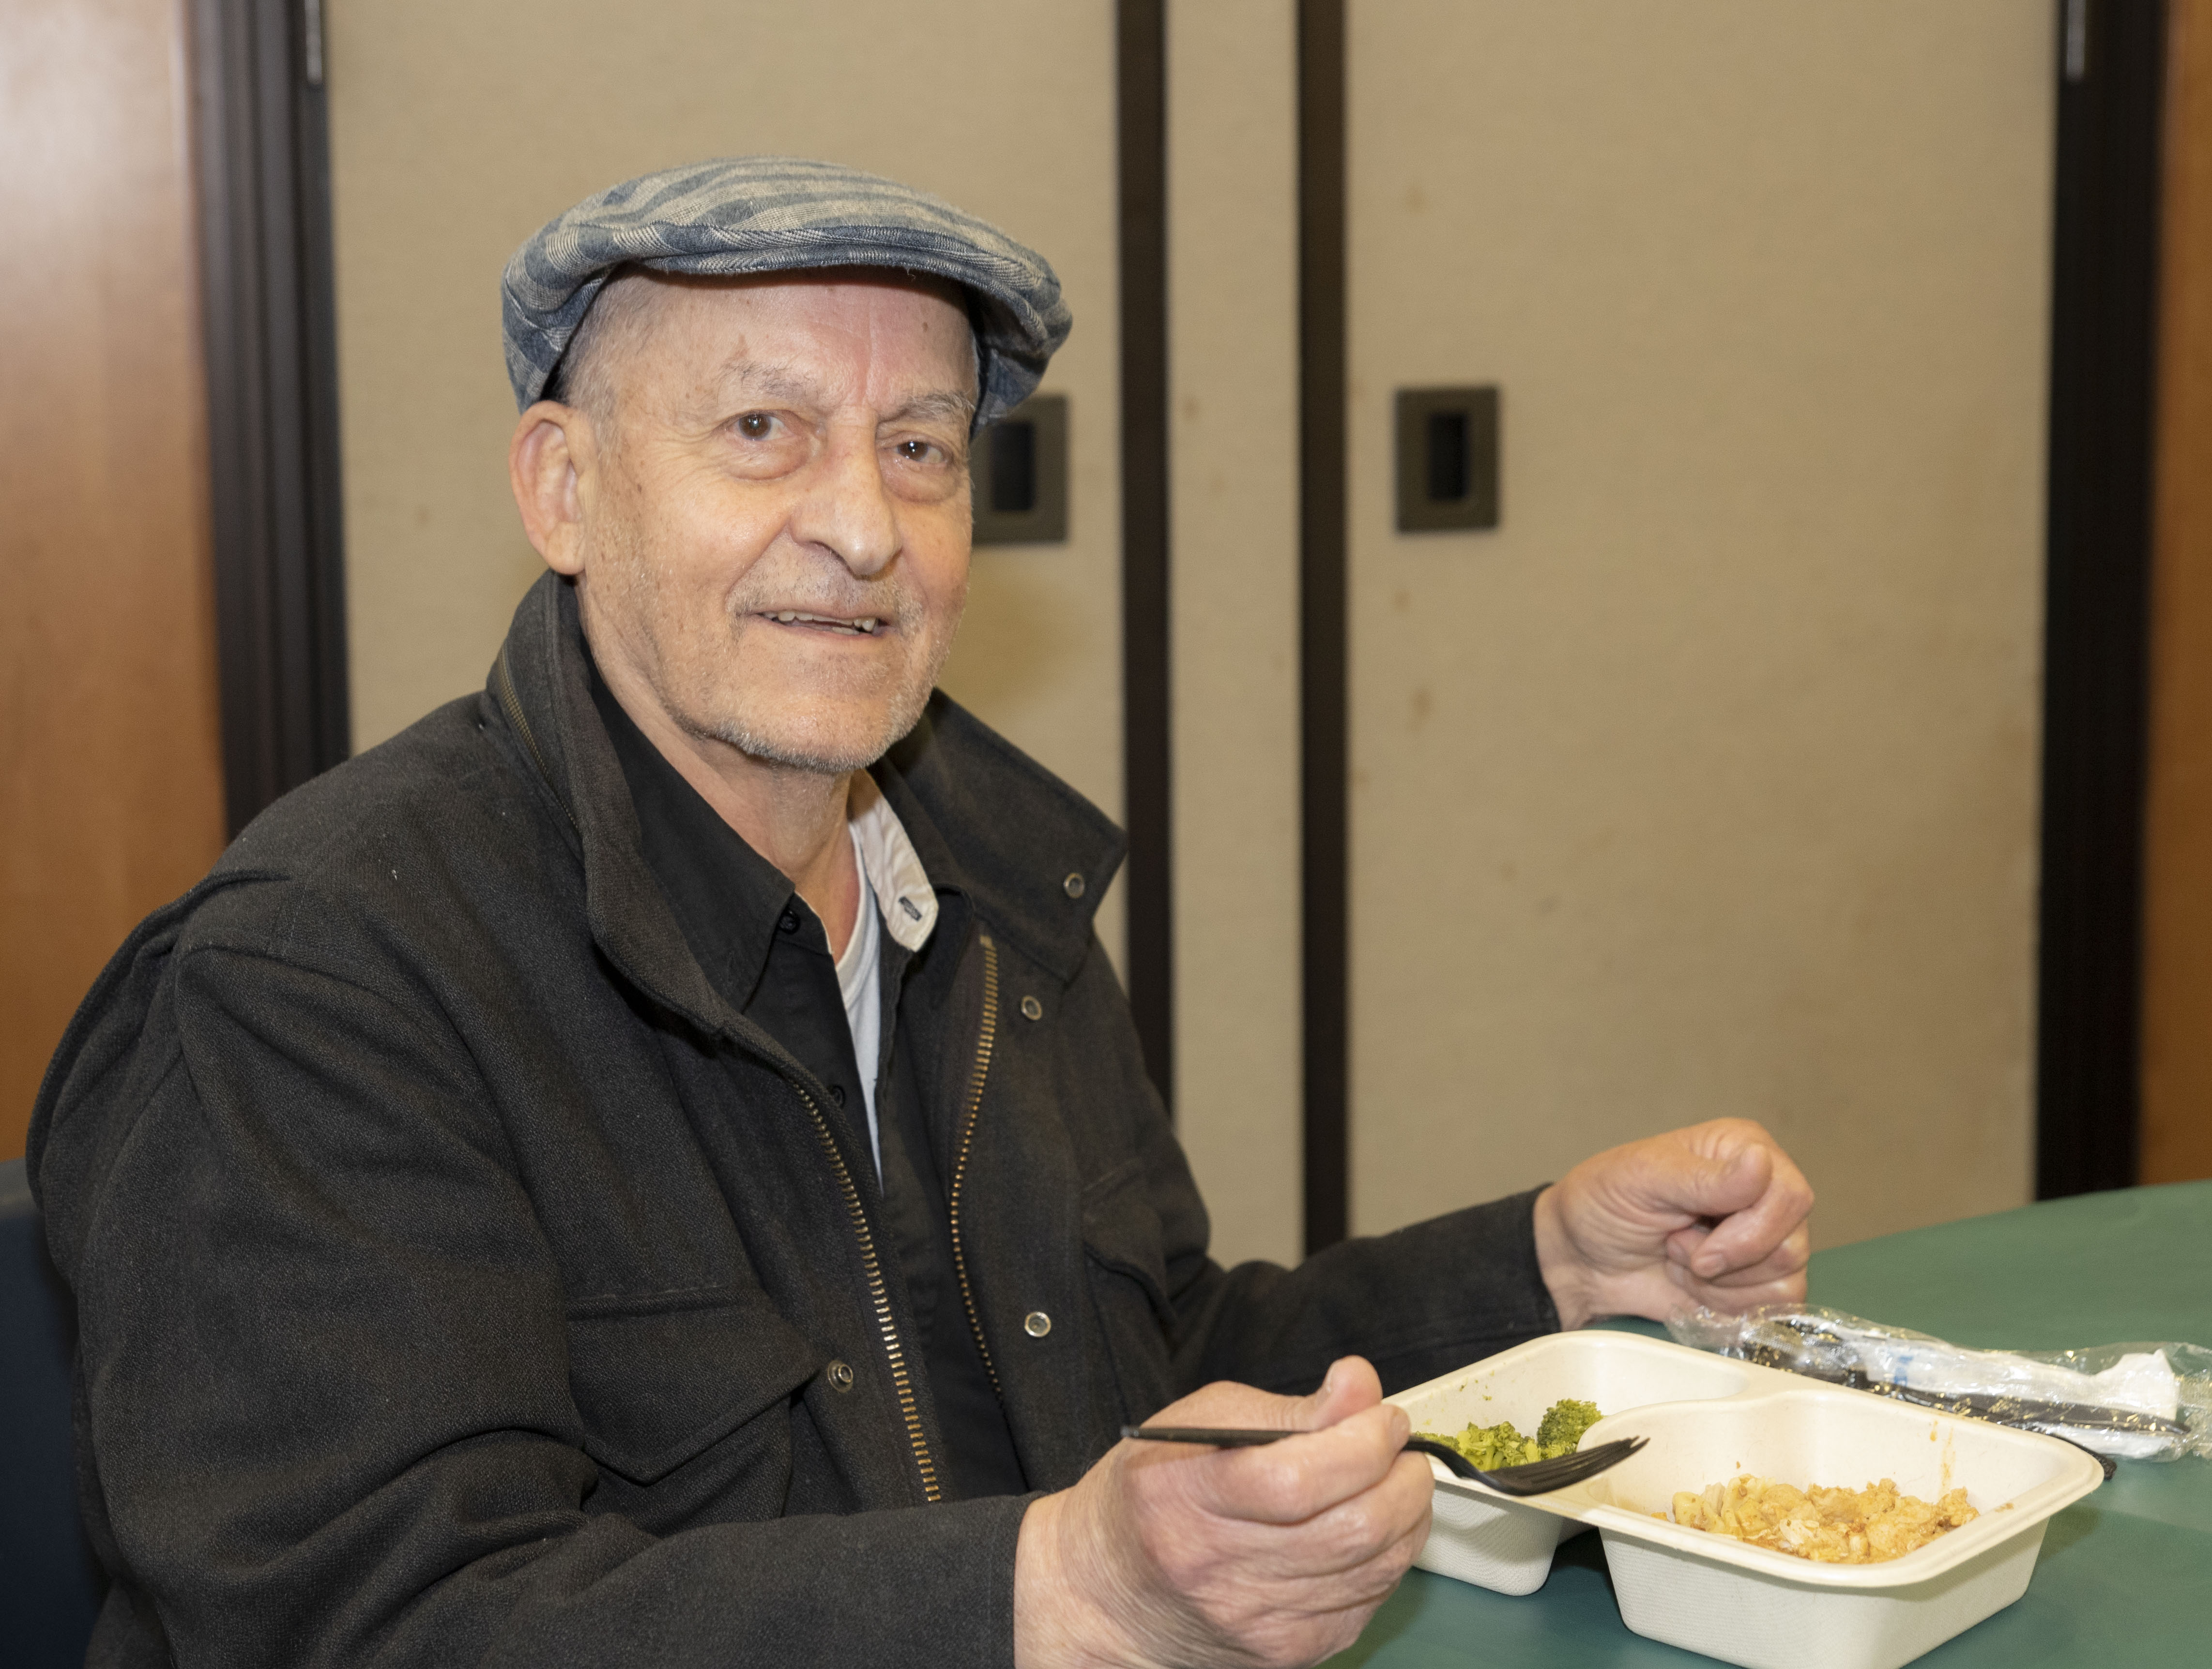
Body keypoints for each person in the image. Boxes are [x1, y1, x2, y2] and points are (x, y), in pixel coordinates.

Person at [30, 158, 1812, 1669]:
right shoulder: (314, 977)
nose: (863, 528)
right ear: (562, 490)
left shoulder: (981, 889)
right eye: (761, 431)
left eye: (920, 448)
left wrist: (1545, 1278)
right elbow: (378, 1621)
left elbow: (1148, 1373)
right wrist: (1052, 1591)